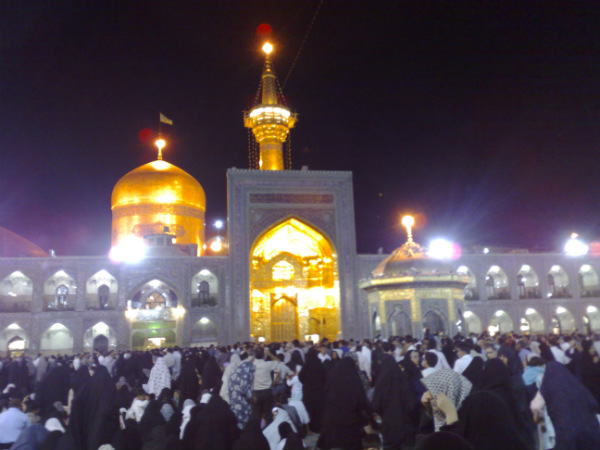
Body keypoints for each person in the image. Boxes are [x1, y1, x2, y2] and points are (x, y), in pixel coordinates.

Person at [538, 361, 600, 449]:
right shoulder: (576, 384)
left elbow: (535, 406)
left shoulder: (548, 387)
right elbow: (594, 404)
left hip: (566, 432)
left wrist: (538, 416)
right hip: (589, 430)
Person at [317, 357, 372, 450]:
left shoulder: (332, 376)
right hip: (350, 420)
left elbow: (324, 395)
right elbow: (361, 399)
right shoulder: (353, 378)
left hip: (332, 419)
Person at [371, 353, 414, 449]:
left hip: (388, 423)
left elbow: (375, 405)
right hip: (404, 423)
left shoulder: (381, 382)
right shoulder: (402, 379)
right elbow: (410, 404)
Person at [251, 347, 279, 424]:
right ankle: (269, 429)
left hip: (255, 393)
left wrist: (253, 356)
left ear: (255, 355)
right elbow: (278, 361)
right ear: (263, 355)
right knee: (269, 414)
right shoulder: (268, 364)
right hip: (267, 392)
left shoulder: (251, 365)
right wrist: (269, 353)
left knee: (256, 415)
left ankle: (257, 430)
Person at [228, 352, 256, 430]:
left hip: (233, 402)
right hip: (242, 404)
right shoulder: (246, 374)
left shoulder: (235, 372)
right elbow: (247, 392)